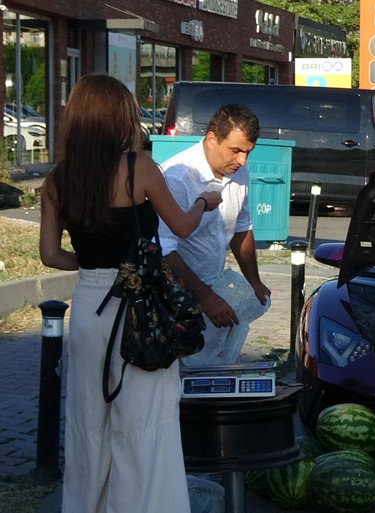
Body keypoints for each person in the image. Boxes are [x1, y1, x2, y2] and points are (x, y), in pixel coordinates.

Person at [39, 73, 222, 513]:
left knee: (89, 421)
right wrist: (203, 201)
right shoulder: (136, 167)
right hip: (141, 308)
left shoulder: (58, 179)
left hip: (88, 304)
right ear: (121, 117)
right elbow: (180, 226)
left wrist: (92, 266)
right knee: (144, 420)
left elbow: (49, 255)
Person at [157, 104, 270, 366]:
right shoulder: (176, 177)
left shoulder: (240, 172)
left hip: (211, 290)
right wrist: (205, 297)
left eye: (248, 152)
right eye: (236, 150)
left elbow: (242, 228)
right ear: (211, 139)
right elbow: (163, 250)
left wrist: (254, 281)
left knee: (207, 371)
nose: (243, 161)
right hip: (173, 297)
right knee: (175, 372)